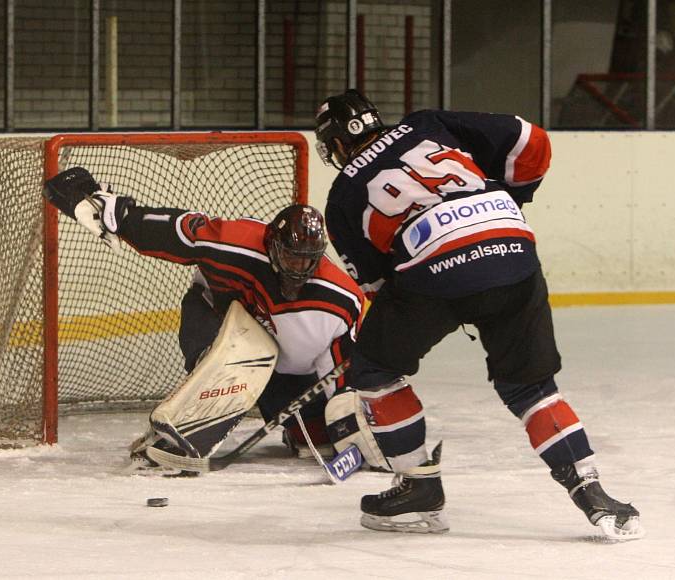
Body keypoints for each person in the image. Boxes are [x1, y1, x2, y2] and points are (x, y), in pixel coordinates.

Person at [314, 89, 643, 539]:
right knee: (530, 387)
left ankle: (418, 488)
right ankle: (593, 494)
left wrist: (443, 283)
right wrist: (503, 204)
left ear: (335, 144)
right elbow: (532, 141)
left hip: (433, 270)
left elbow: (377, 285)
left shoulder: (342, 197)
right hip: (512, 247)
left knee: (373, 369)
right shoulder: (427, 124)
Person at [43, 167, 364, 459]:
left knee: (318, 439)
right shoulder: (236, 244)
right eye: (292, 259)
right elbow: (175, 232)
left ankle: (300, 427)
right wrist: (114, 212)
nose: (299, 269)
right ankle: (180, 433)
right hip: (215, 312)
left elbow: (344, 371)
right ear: (272, 245)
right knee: (225, 360)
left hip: (283, 364)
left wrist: (350, 426)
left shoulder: (340, 299)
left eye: (307, 261)